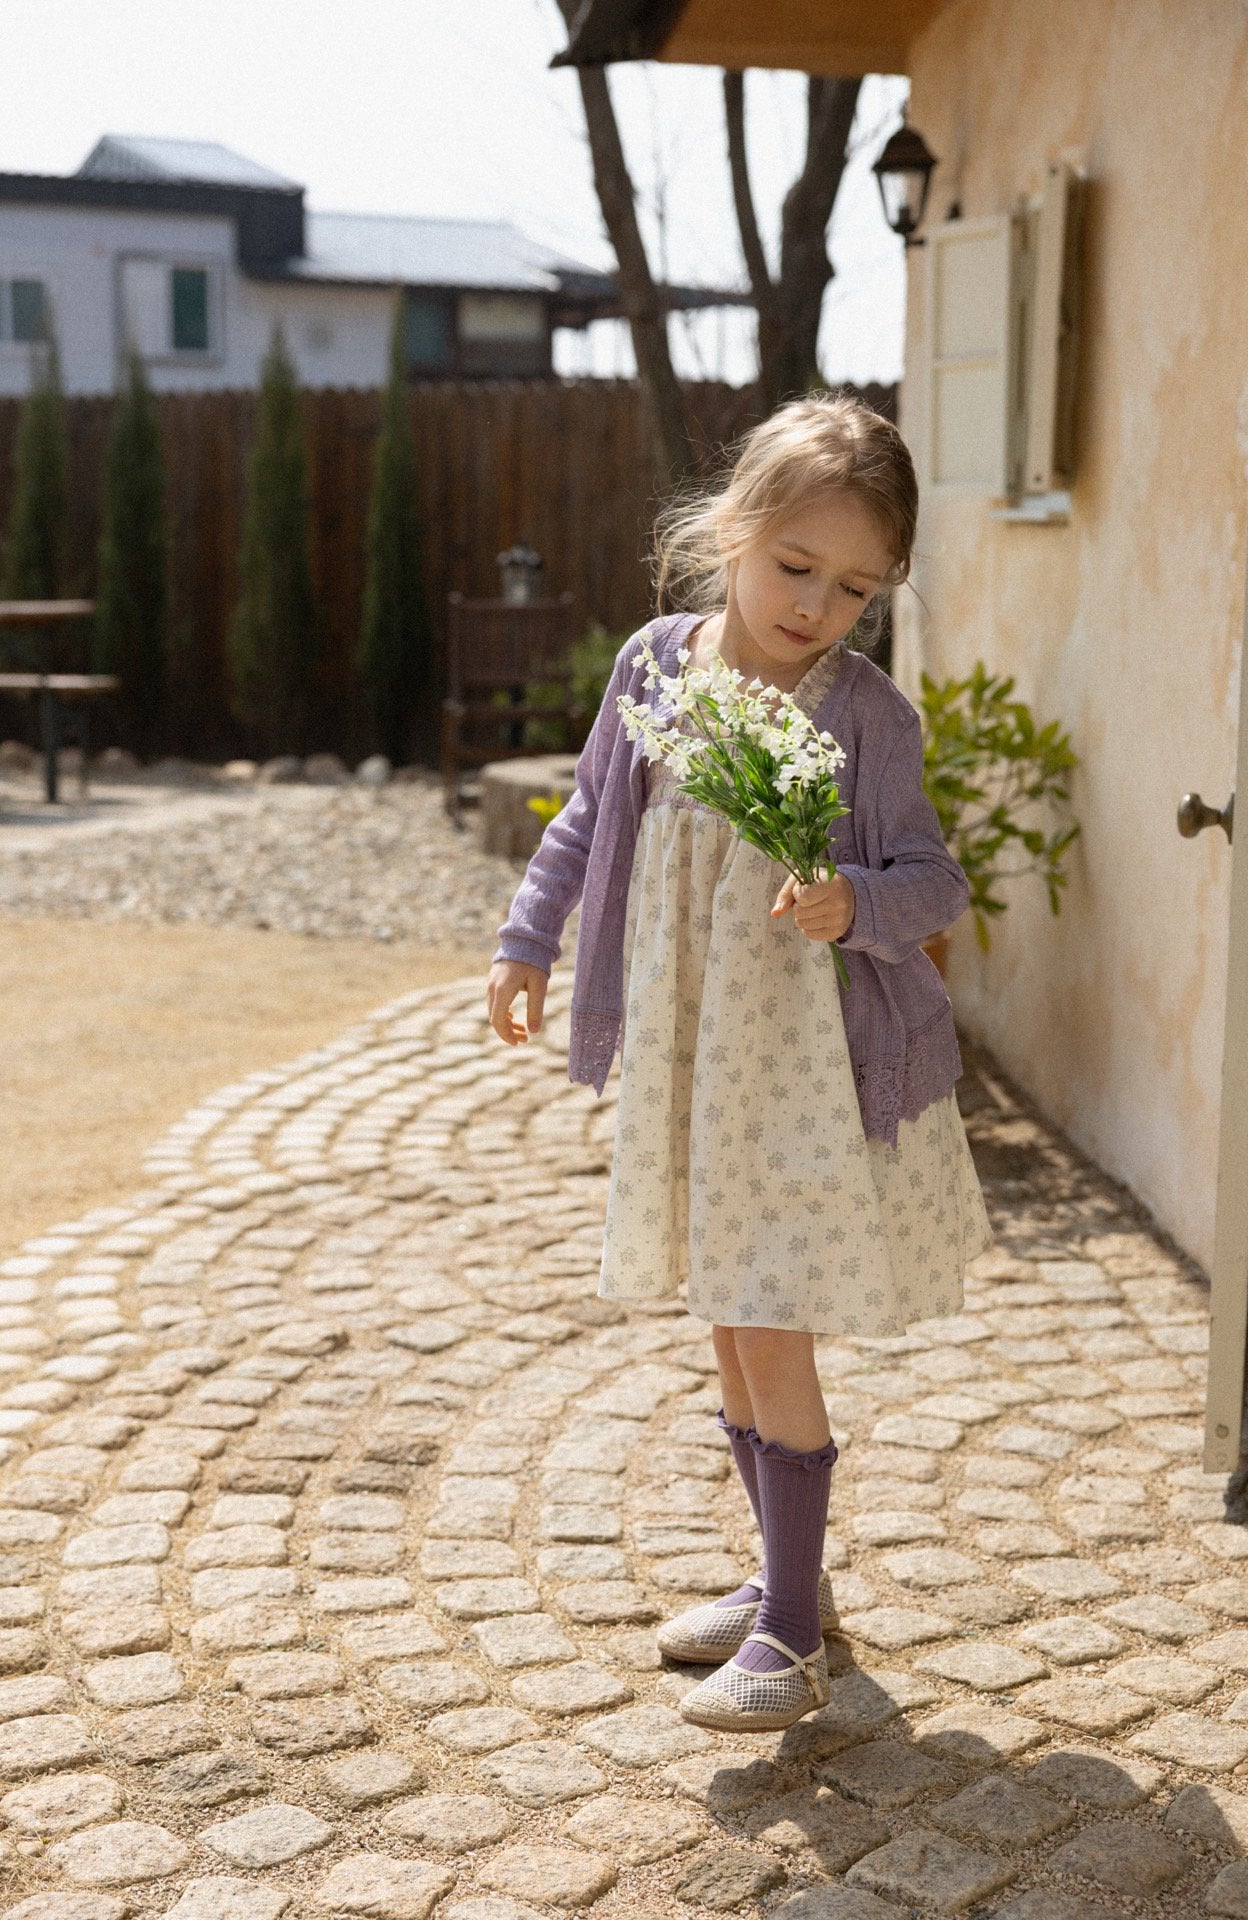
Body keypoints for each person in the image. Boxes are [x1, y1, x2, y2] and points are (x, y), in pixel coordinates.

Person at [486, 393, 990, 1734]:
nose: (818, 606)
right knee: (726, 1310)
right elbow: (586, 817)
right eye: (795, 566)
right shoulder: (656, 667)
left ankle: (793, 1637)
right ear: (732, 531)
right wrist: (528, 941)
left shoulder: (865, 715)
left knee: (766, 1313)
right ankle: (784, 1579)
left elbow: (934, 880)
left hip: (803, 1079)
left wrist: (853, 901)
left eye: (856, 589)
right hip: (692, 1060)